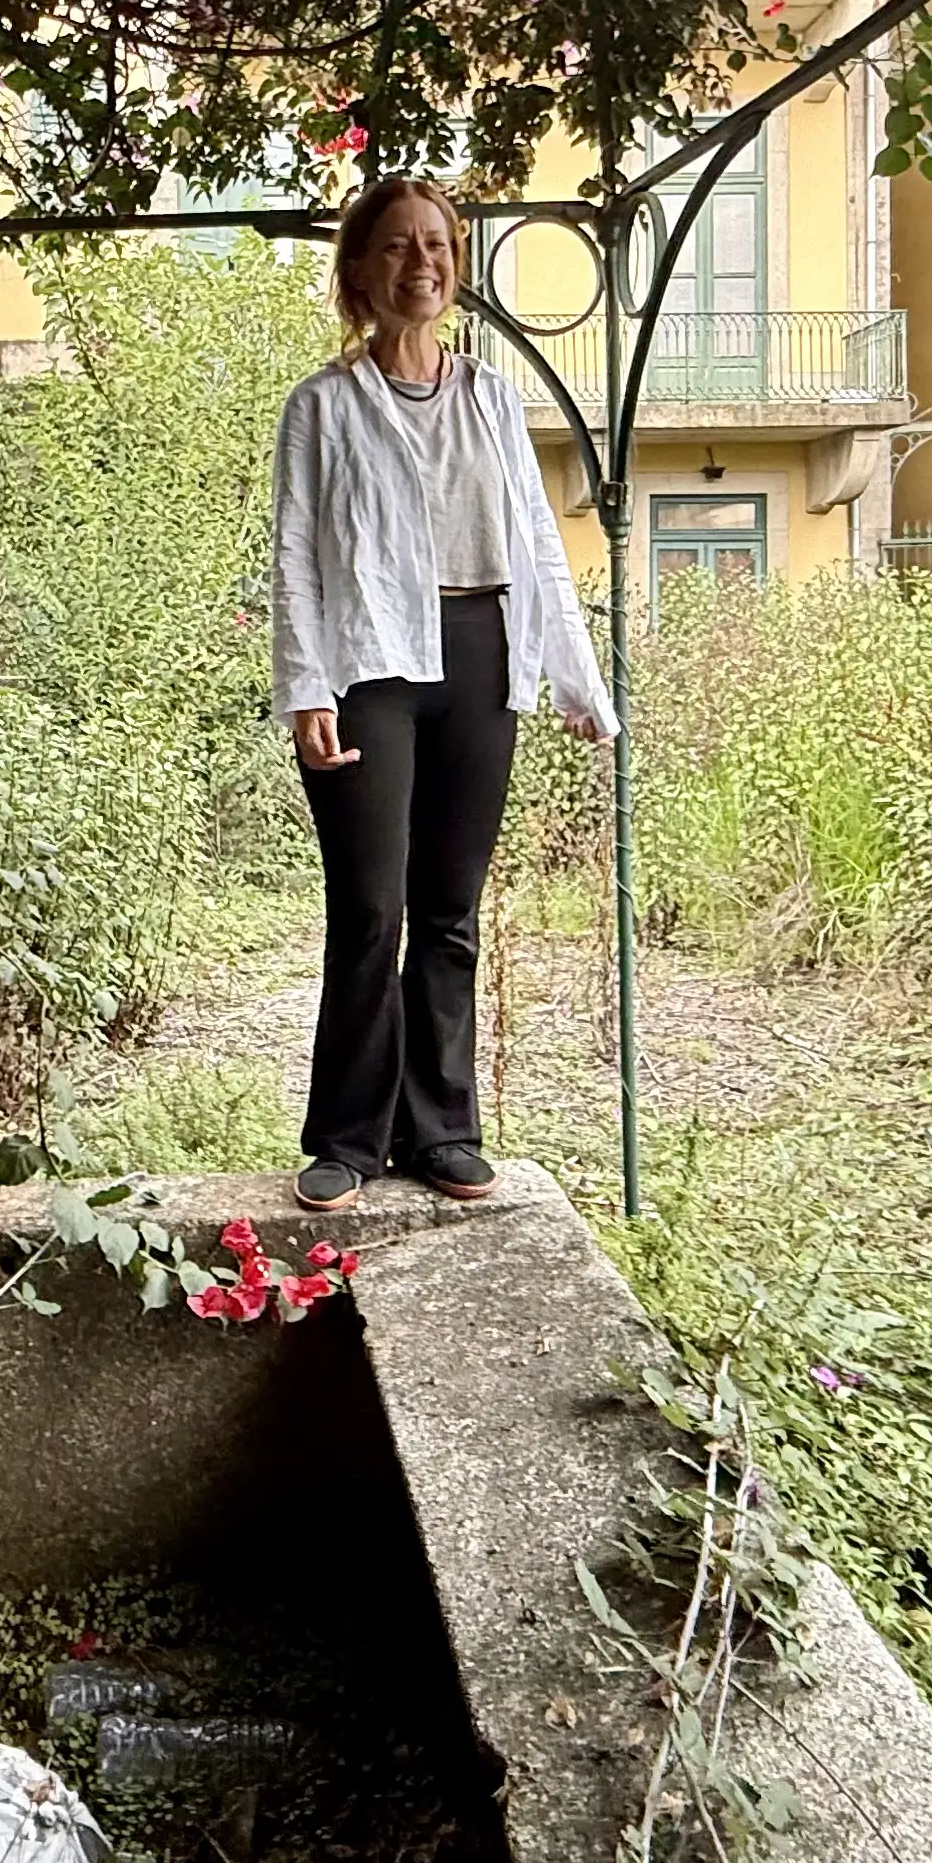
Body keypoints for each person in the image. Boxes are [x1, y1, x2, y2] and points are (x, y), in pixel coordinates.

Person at [270, 174, 616, 1215]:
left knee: (450, 910)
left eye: (437, 245)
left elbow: (536, 538)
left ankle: (443, 1130)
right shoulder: (322, 406)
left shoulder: (491, 397)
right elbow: (295, 554)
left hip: (481, 656)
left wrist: (575, 676)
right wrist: (306, 685)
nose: (421, 263)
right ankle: (346, 1139)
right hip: (369, 661)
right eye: (396, 245)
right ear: (359, 269)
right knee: (370, 909)